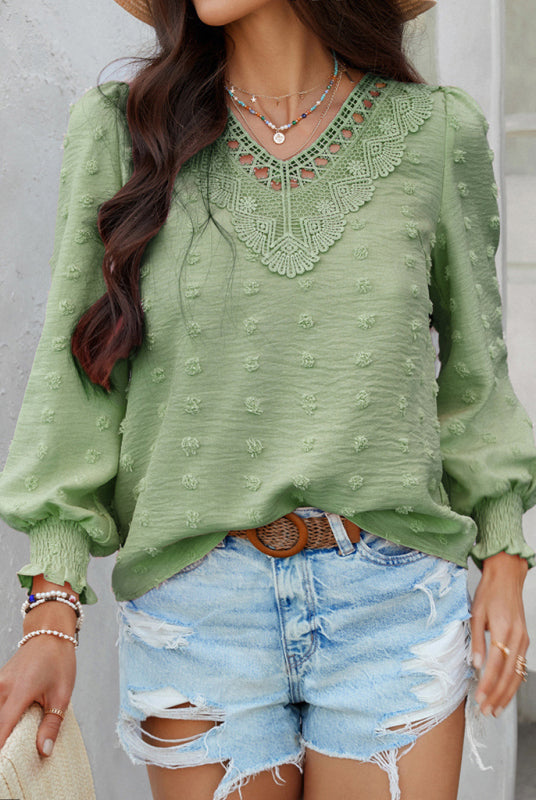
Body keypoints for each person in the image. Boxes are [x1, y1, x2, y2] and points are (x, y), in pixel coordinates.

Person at [0, 0, 535, 798]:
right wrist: (52, 608)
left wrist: (505, 555)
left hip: (390, 604)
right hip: (198, 611)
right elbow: (74, 385)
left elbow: (476, 380)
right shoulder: (121, 132)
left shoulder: (434, 133)